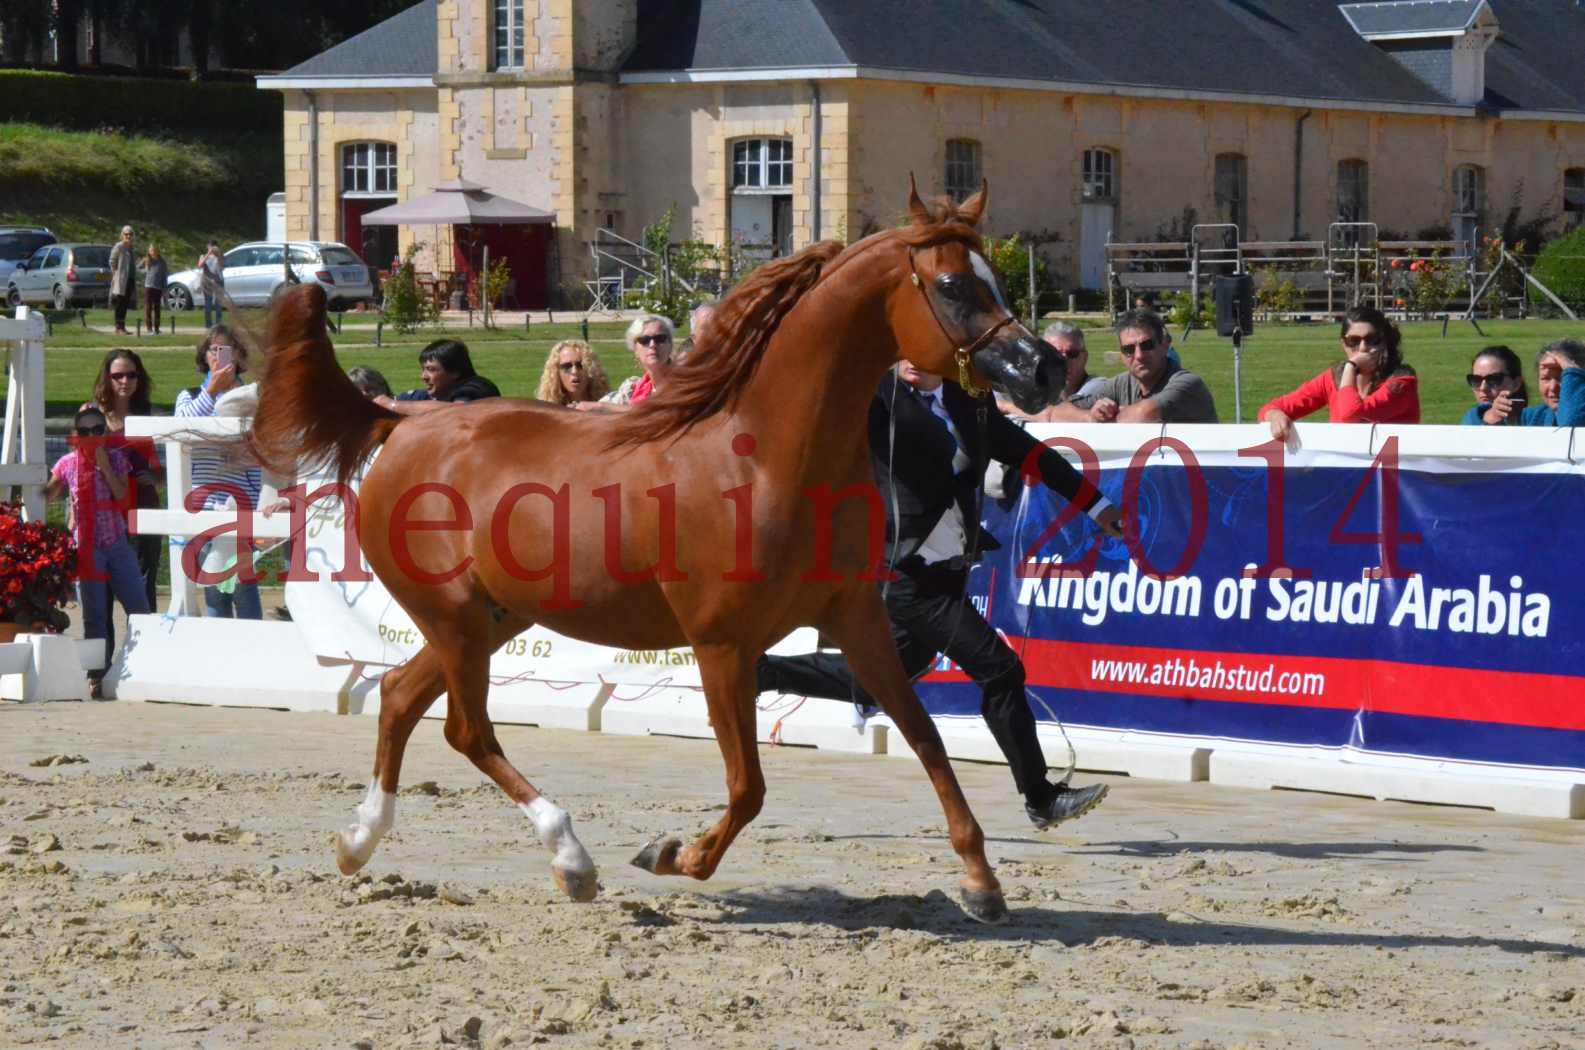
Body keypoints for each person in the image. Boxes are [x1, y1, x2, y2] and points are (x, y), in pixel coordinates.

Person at [756, 361, 1126, 831]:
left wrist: (1094, 504)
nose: (910, 358)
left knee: (880, 679)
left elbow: (1025, 451)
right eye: (902, 349)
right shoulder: (876, 397)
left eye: (922, 350)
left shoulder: (965, 400)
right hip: (902, 575)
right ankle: (1040, 796)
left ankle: (761, 673)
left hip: (948, 570)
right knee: (999, 668)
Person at [45, 406, 151, 698]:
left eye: (98, 430)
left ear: (104, 434)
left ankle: (144, 664)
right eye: (85, 431)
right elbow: (47, 493)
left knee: (138, 606)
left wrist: (103, 464)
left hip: (116, 541)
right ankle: (96, 674)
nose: (92, 436)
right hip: (86, 545)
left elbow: (122, 496)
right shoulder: (67, 463)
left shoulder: (116, 459)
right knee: (94, 614)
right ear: (76, 436)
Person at [175, 326, 263, 620]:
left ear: (239, 356)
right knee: (214, 587)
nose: (219, 356)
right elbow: (182, 427)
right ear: (204, 355)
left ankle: (253, 652)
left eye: (227, 350)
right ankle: (220, 650)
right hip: (204, 505)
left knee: (243, 587)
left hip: (243, 504)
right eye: (213, 349)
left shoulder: (255, 397)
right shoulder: (187, 396)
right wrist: (211, 391)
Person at [1260, 305, 1417, 443]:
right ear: (1344, 344)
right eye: (1353, 341)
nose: (1363, 348)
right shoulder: (1332, 378)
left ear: (1385, 342)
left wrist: (1351, 367)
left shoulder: (1401, 382)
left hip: (1393, 472)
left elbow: (1351, 414)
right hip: (1348, 472)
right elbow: (1270, 408)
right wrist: (1274, 415)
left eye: (1372, 339)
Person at [83, 349, 162, 612]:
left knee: (142, 587)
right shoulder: (91, 414)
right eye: (117, 375)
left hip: (142, 508)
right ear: (107, 378)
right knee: (101, 592)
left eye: (131, 375)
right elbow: (77, 465)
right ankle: (104, 653)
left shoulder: (150, 415)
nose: (124, 381)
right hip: (103, 512)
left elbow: (175, 457)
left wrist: (157, 478)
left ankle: (146, 650)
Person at [1060, 308, 1218, 423]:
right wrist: (1089, 416)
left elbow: (1145, 415)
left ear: (1165, 345)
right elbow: (1059, 411)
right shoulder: (1119, 384)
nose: (1139, 356)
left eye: (1147, 345)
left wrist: (1104, 417)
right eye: (1128, 349)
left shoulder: (1188, 384)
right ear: (1121, 355)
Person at [997, 321, 1109, 421]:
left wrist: (1006, 406)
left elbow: (1051, 413)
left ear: (1085, 357)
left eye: (1072, 354)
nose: (1064, 361)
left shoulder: (1100, 388)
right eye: (1055, 353)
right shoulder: (1019, 388)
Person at [373, 340, 500, 415]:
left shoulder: (477, 387)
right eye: (423, 369)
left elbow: (455, 413)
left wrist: (393, 405)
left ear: (455, 371)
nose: (423, 377)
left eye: (431, 369)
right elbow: (395, 400)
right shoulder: (437, 392)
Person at [589, 315, 675, 411]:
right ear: (635, 350)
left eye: (660, 338)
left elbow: (655, 415)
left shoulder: (684, 384)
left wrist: (603, 406)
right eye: (644, 340)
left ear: (670, 345)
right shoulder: (633, 388)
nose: (652, 345)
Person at [1460, 345, 1551, 427]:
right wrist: (1491, 417)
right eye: (1476, 380)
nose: (1483, 388)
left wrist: (1565, 370)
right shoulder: (1471, 419)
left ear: (1516, 383)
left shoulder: (1539, 418)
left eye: (1494, 379)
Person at [535, 339, 611, 406]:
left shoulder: (608, 405)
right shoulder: (548, 409)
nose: (574, 371)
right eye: (567, 366)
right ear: (556, 372)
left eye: (580, 365)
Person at [1535, 339, 1585, 426]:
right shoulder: (1536, 417)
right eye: (1546, 378)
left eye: (1563, 378)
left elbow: (1570, 424)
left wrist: (1572, 372)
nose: (1553, 387)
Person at [108, 226, 136, 335]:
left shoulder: (131, 248)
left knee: (125, 304)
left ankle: (122, 327)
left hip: (130, 279)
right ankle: (118, 328)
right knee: (119, 304)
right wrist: (116, 273)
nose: (128, 236)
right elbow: (112, 261)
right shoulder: (119, 246)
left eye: (130, 234)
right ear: (122, 235)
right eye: (126, 234)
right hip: (121, 280)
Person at [199, 241, 225, 328]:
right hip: (207, 281)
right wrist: (208, 254)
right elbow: (200, 265)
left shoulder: (220, 256)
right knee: (208, 303)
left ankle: (218, 323)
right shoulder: (203, 256)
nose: (212, 248)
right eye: (210, 247)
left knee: (218, 303)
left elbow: (222, 267)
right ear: (208, 247)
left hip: (218, 281)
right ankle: (208, 324)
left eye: (214, 247)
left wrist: (219, 255)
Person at [142, 244, 167, 334]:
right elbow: (139, 270)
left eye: (154, 250)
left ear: (158, 251)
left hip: (158, 287)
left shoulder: (162, 262)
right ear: (149, 251)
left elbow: (164, 276)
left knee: (157, 308)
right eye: (151, 250)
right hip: (148, 286)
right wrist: (144, 265)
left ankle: (157, 328)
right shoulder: (147, 260)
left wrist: (165, 289)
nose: (153, 252)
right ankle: (149, 328)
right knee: (148, 307)